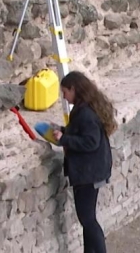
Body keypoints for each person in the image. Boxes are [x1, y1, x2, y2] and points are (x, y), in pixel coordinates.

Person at [51, 71, 116, 253]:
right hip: (93, 171)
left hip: (89, 173)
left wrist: (64, 139)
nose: (64, 96)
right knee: (88, 219)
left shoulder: (84, 113)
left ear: (74, 89)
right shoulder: (86, 109)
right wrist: (62, 131)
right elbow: (83, 134)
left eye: (65, 92)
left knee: (87, 220)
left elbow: (90, 142)